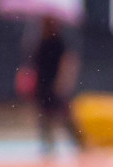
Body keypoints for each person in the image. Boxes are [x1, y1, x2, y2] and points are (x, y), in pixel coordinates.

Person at [25, 15, 84, 156]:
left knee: (64, 117)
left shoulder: (58, 42)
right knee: (44, 118)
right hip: (42, 86)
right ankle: (48, 146)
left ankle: (79, 144)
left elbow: (67, 62)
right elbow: (33, 64)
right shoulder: (38, 41)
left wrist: (63, 82)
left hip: (54, 85)